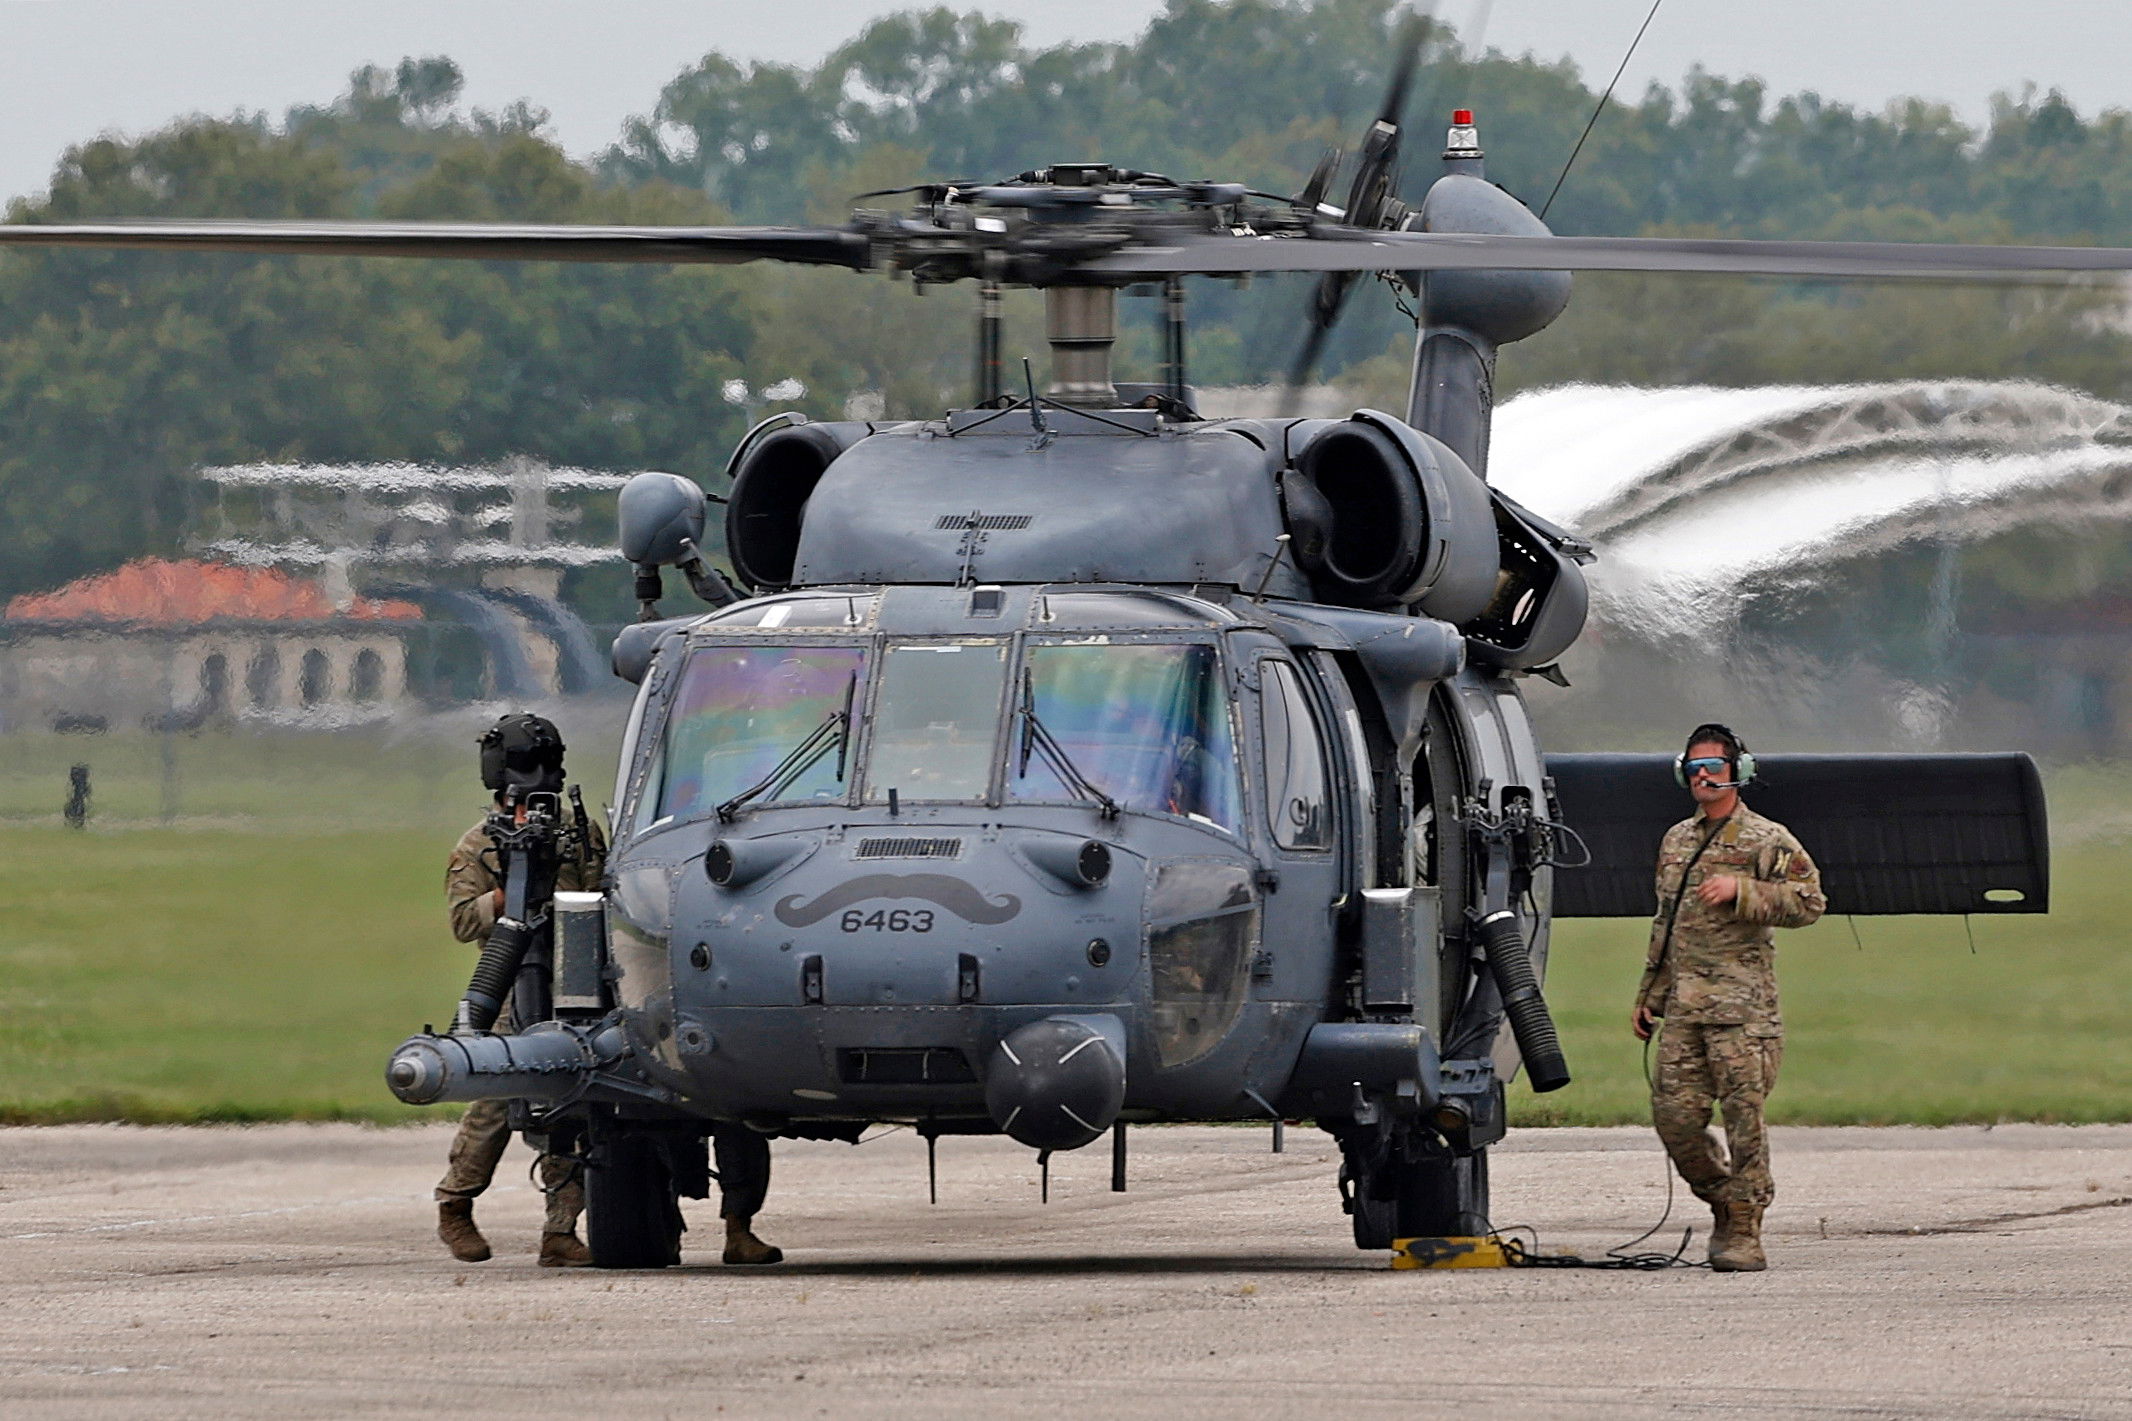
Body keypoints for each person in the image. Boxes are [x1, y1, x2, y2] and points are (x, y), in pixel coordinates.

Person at [1630, 723, 1824, 1272]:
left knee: (1745, 1123)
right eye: (1694, 768)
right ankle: (1721, 1197)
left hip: (1743, 1013)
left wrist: (1745, 892)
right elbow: (1667, 925)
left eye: (1714, 766)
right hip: (1686, 1010)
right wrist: (1651, 996)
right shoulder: (1677, 841)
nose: (1704, 776)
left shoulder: (1767, 839)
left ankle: (1745, 1229)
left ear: (1738, 772)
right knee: (1675, 1119)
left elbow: (1809, 902)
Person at [436, 712, 605, 1268]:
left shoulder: (579, 833)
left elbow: (603, 895)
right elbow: (463, 921)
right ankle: (456, 1203)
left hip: (575, 983)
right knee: (493, 1099)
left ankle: (560, 1230)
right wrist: (507, 897)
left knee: (572, 1102)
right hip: (510, 982)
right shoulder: (480, 845)